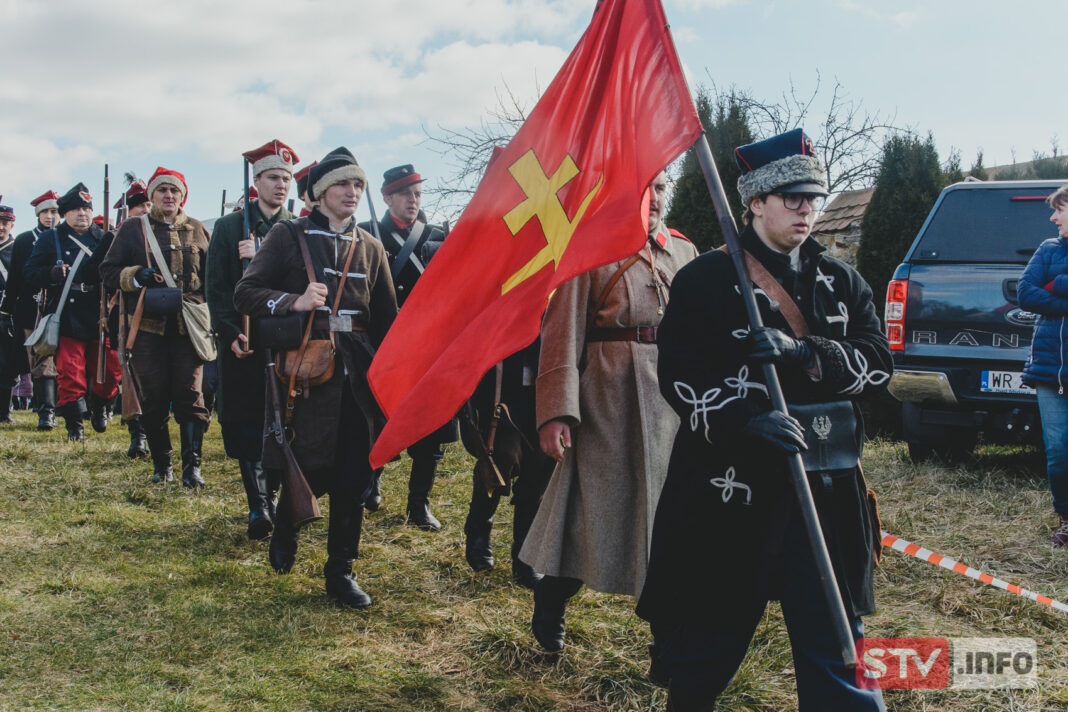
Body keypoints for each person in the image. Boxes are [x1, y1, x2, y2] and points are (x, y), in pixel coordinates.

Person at [635, 129, 891, 711]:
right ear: (755, 202)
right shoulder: (705, 279)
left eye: (813, 198)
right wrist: (745, 422)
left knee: (836, 644)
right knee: (705, 647)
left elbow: (878, 365)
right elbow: (680, 372)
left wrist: (806, 352)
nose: (806, 210)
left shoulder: (841, 282)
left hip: (825, 489)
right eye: (791, 198)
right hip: (732, 492)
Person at [518, 170, 698, 652]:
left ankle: (668, 639)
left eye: (661, 187)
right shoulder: (590, 248)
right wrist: (556, 411)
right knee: (591, 514)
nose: (653, 198)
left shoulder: (684, 252)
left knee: (670, 520)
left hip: (673, 399)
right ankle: (552, 598)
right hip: (606, 397)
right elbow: (563, 333)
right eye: (644, 187)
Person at [234, 147, 398, 609]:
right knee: (307, 464)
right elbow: (246, 293)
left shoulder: (371, 246)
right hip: (305, 374)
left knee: (354, 471)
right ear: (321, 192)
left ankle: (341, 570)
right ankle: (286, 525)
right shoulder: (289, 235)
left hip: (359, 375)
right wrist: (295, 302)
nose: (352, 191)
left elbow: (387, 319)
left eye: (358, 184)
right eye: (343, 184)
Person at [206, 139, 298, 540]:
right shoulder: (229, 228)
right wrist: (230, 332)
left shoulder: (296, 227)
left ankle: (274, 496)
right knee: (246, 420)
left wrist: (260, 253)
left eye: (286, 179)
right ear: (257, 181)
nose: (281, 185)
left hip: (283, 336)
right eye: (273, 177)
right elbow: (216, 288)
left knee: (282, 420)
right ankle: (258, 505)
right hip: (243, 338)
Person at [358, 164, 455, 530]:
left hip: (428, 347)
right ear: (387, 198)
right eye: (404, 194)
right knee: (377, 422)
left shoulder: (436, 235)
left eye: (417, 194)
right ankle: (371, 482)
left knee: (430, 427)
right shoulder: (366, 233)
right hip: (383, 345)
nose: (413, 200)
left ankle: (418, 504)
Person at [100, 167, 211, 486]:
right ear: (152, 195)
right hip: (147, 328)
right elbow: (108, 271)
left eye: (174, 191)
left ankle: (192, 468)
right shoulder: (133, 229)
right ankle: (163, 466)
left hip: (189, 327)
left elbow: (212, 276)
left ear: (182, 196)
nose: (169, 196)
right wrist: (135, 276)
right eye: (162, 190)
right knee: (153, 398)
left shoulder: (197, 229)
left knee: (191, 396)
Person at [23, 184, 121, 441]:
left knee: (111, 370)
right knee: (70, 373)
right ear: (65, 213)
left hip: (100, 311)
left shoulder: (103, 237)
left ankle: (99, 405)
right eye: (77, 209)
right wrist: (50, 274)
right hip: (67, 312)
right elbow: (29, 273)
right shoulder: (51, 238)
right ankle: (75, 427)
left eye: (86, 208)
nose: (83, 214)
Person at [460, 339, 554, 589]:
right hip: (501, 388)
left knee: (539, 470)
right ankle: (478, 528)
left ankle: (525, 556)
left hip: (544, 388)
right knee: (500, 458)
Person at [1018, 184, 1068, 548]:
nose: (1053, 218)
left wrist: (1058, 283)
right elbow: (1026, 292)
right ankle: (1067, 520)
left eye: (1059, 209)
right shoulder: (1048, 249)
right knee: (1059, 451)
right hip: (1052, 371)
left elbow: (1045, 291)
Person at [1, 191, 62, 430]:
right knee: (37, 360)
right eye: (45, 211)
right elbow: (16, 278)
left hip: (62, 307)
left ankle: (62, 410)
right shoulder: (26, 240)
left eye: (54, 211)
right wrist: (7, 311)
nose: (50, 216)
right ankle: (45, 412)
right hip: (30, 309)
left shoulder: (65, 237)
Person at [110, 180, 152, 458]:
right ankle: (138, 434)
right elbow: (102, 272)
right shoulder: (117, 235)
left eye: (148, 204)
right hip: (126, 314)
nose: (146, 210)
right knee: (132, 374)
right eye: (140, 206)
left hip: (161, 311)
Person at [0, 204, 18, 423]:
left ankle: (4, 412)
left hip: (6, 312)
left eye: (5, 223)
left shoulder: (16, 249)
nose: (1, 227)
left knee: (6, 364)